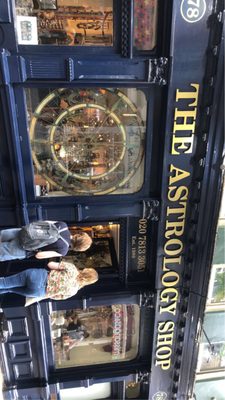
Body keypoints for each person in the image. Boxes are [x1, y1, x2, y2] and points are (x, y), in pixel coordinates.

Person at [0, 261, 98, 301]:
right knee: (10, 289)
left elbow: (50, 264)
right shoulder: (74, 291)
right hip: (39, 292)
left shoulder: (72, 269)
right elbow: (54, 297)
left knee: (5, 282)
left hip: (38, 276)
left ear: (86, 270)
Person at [0, 222, 92, 261]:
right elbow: (39, 255)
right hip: (24, 248)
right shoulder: (63, 250)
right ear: (78, 248)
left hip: (23, 232)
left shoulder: (63, 225)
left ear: (79, 234)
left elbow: (43, 223)